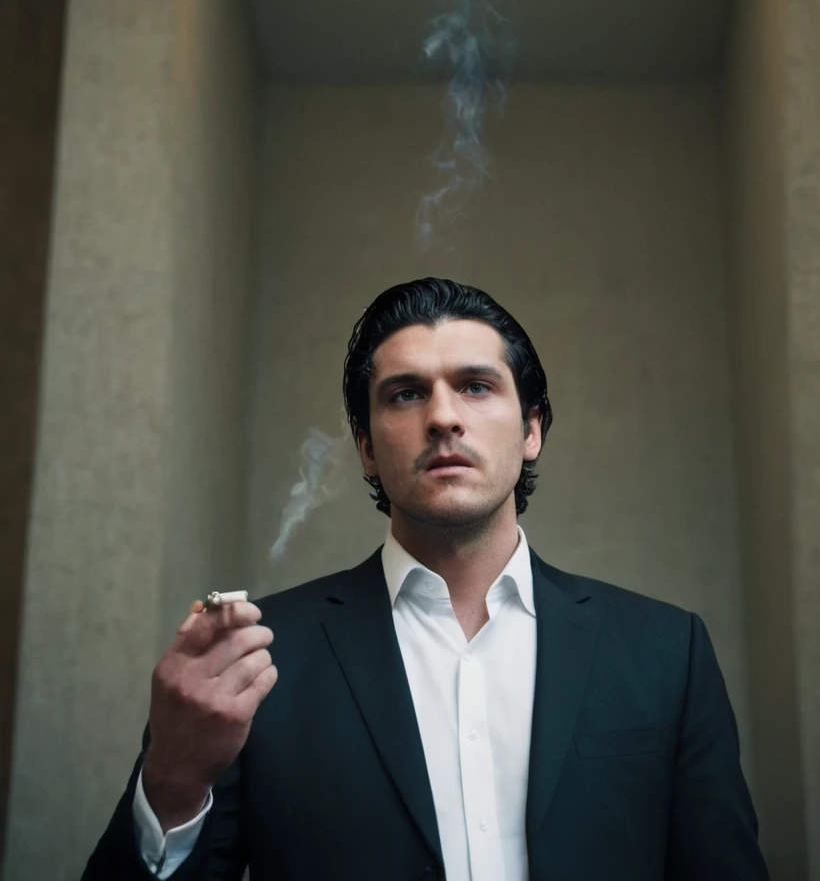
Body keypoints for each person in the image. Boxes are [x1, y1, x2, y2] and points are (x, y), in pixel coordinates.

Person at [81, 277, 769, 880]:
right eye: (406, 394)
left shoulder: (663, 652)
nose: (443, 416)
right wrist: (171, 782)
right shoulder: (260, 664)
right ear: (366, 449)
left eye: (475, 385)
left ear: (532, 429)